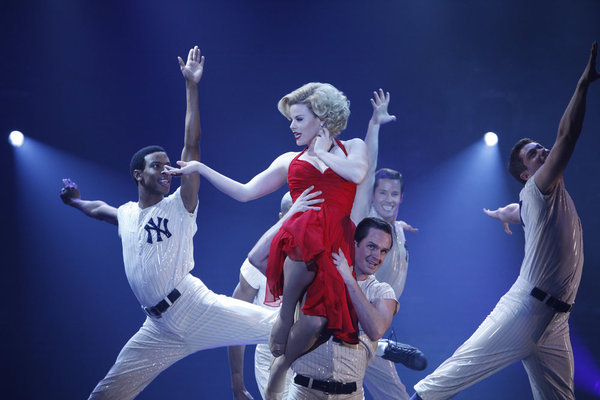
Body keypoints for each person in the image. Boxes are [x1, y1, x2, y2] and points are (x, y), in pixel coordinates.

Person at [60, 46, 277, 400]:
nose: (166, 170)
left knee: (279, 327)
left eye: (167, 165)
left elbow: (192, 144)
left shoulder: (180, 204)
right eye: (156, 166)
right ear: (138, 175)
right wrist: (75, 201)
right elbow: (99, 209)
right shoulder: (128, 214)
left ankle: (358, 344)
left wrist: (191, 87)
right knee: (105, 395)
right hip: (157, 328)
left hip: (194, 307)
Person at [411, 42, 598, 400]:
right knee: (451, 376)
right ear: (527, 175)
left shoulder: (547, 200)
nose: (544, 151)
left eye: (541, 147)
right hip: (525, 309)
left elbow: (518, 211)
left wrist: (500, 213)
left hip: (556, 322)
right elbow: (567, 136)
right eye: (534, 154)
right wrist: (582, 85)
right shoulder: (538, 189)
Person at [163, 82, 369, 398]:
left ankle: (282, 365)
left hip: (336, 244)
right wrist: (201, 168)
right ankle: (284, 314)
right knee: (303, 233)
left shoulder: (353, 147)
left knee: (316, 322)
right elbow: (245, 192)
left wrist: (321, 154)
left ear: (322, 118)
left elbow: (357, 174)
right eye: (291, 120)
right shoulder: (289, 160)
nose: (292, 126)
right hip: (301, 237)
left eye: (299, 119)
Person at [349, 90, 426, 400]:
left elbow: (393, 230)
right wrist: (374, 125)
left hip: (374, 327)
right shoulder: (365, 221)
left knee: (394, 395)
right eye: (382, 193)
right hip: (351, 324)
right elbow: (367, 171)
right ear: (372, 195)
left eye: (394, 194)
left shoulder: (395, 229)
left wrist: (400, 227)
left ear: (402, 197)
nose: (389, 199)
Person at [286, 217, 399, 399]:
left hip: (350, 395)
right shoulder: (320, 276)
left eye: (383, 251)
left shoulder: (381, 291)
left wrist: (349, 279)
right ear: (355, 243)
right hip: (304, 391)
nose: (377, 256)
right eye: (371, 246)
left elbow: (375, 330)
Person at [228, 189, 323, 400]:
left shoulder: (324, 256)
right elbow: (235, 323)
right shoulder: (259, 263)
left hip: (315, 350)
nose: (301, 223)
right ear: (282, 218)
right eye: (295, 214)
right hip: (272, 352)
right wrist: (237, 382)